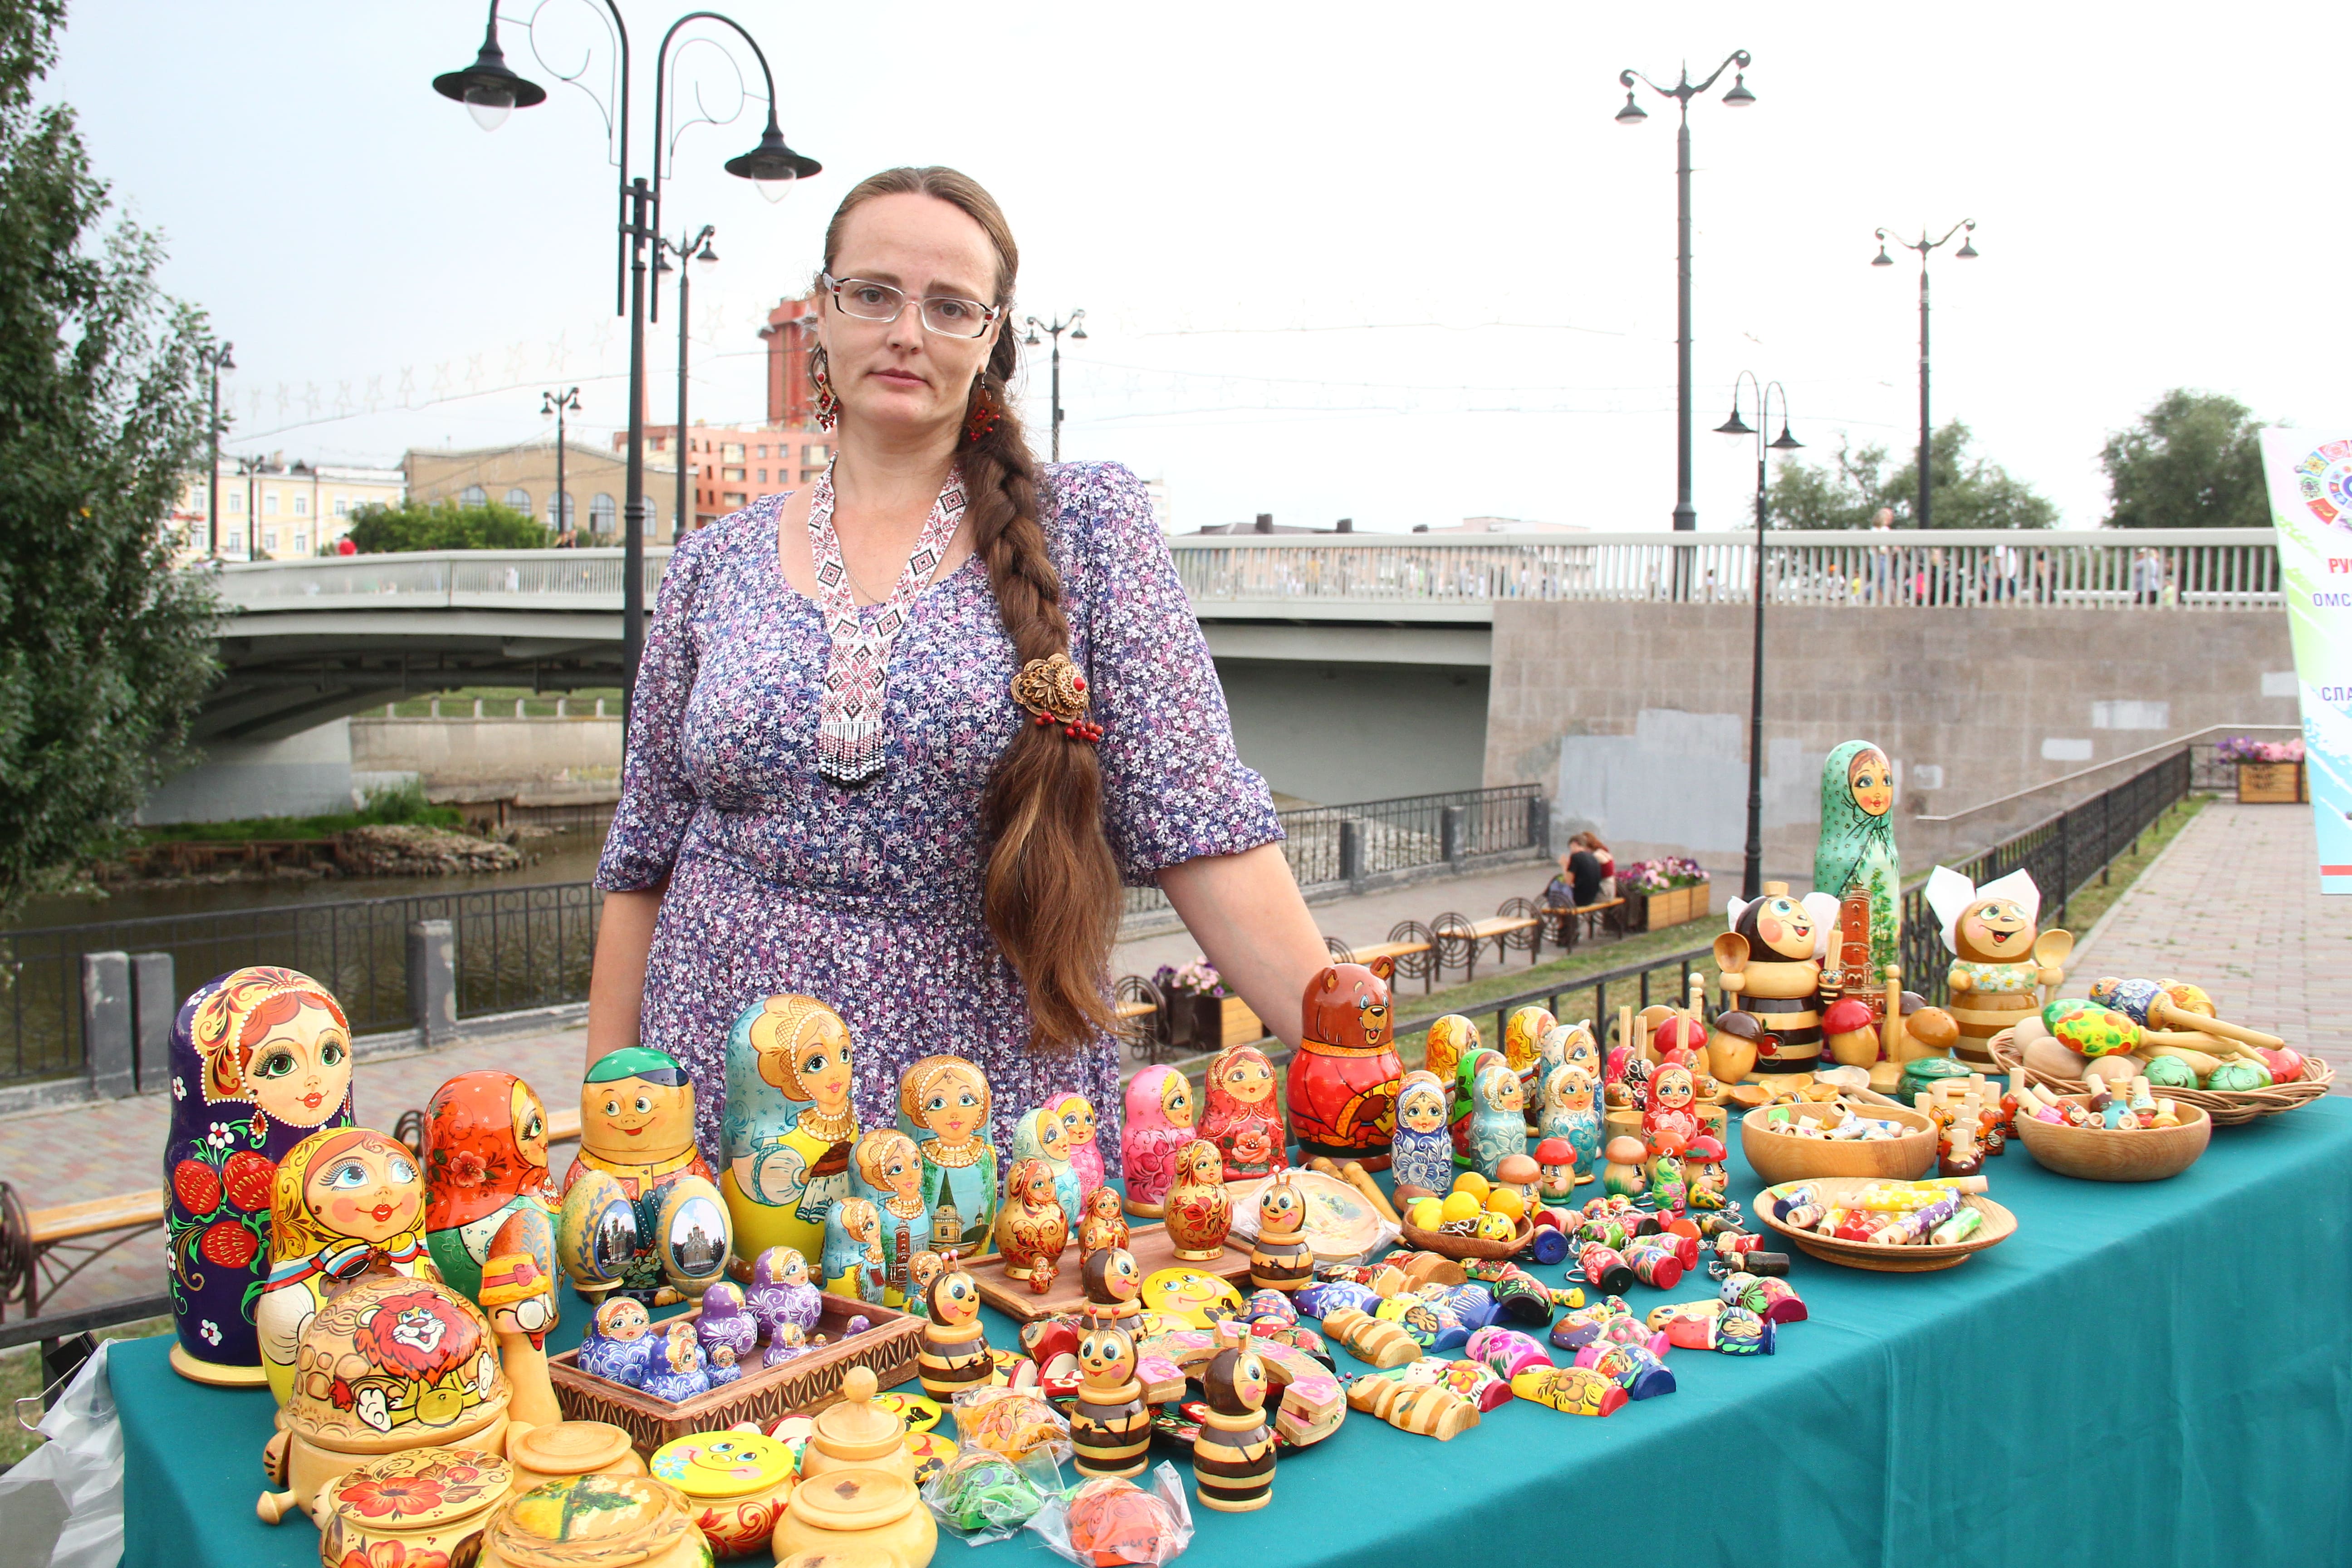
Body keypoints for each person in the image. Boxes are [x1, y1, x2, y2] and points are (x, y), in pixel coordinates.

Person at [585, 167, 1329, 1167]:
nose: (907, 332)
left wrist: (1354, 1069)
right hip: (729, 1092)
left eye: (949, 306)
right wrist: (608, 1140)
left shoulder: (1089, 529)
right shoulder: (711, 564)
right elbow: (643, 862)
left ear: (992, 336)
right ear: (821, 312)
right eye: (874, 294)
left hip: (979, 1103)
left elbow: (1201, 822)